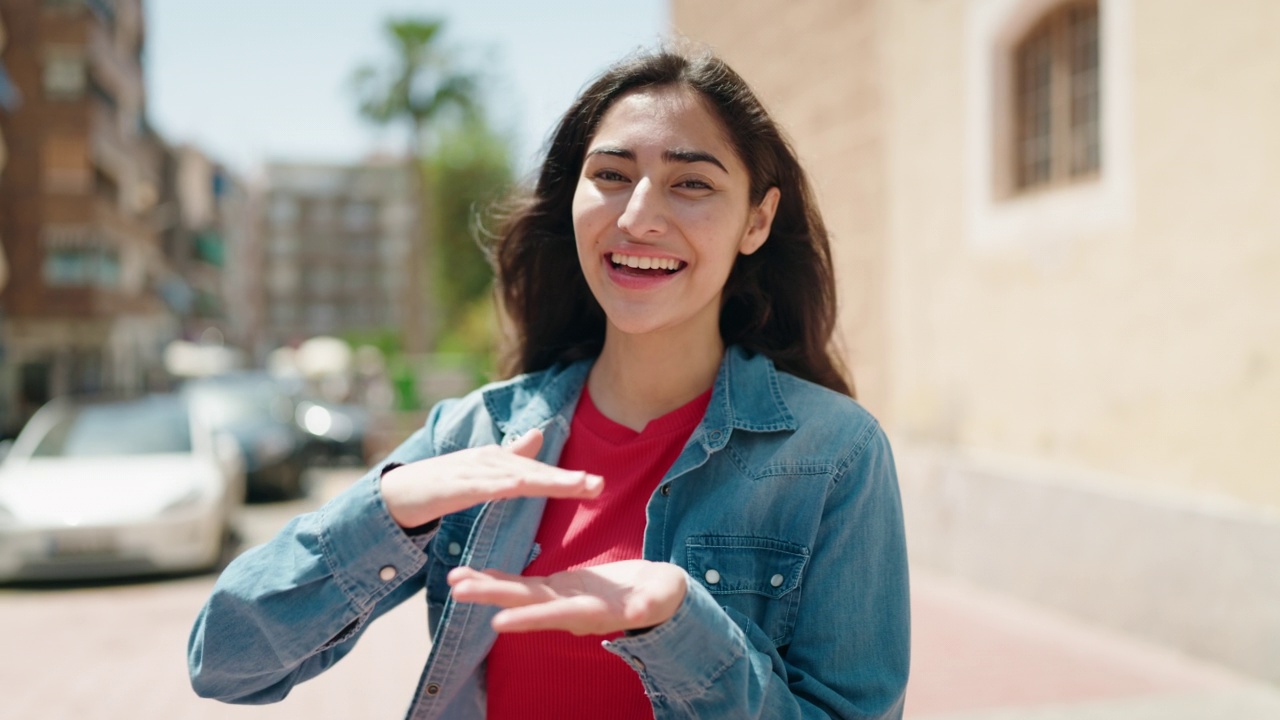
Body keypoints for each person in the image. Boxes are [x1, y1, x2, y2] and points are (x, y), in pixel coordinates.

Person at [188, 47, 909, 719]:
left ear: (757, 219)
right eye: (611, 175)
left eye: (691, 183)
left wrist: (679, 624)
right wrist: (392, 507)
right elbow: (223, 661)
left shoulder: (833, 455)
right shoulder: (472, 437)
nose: (637, 217)